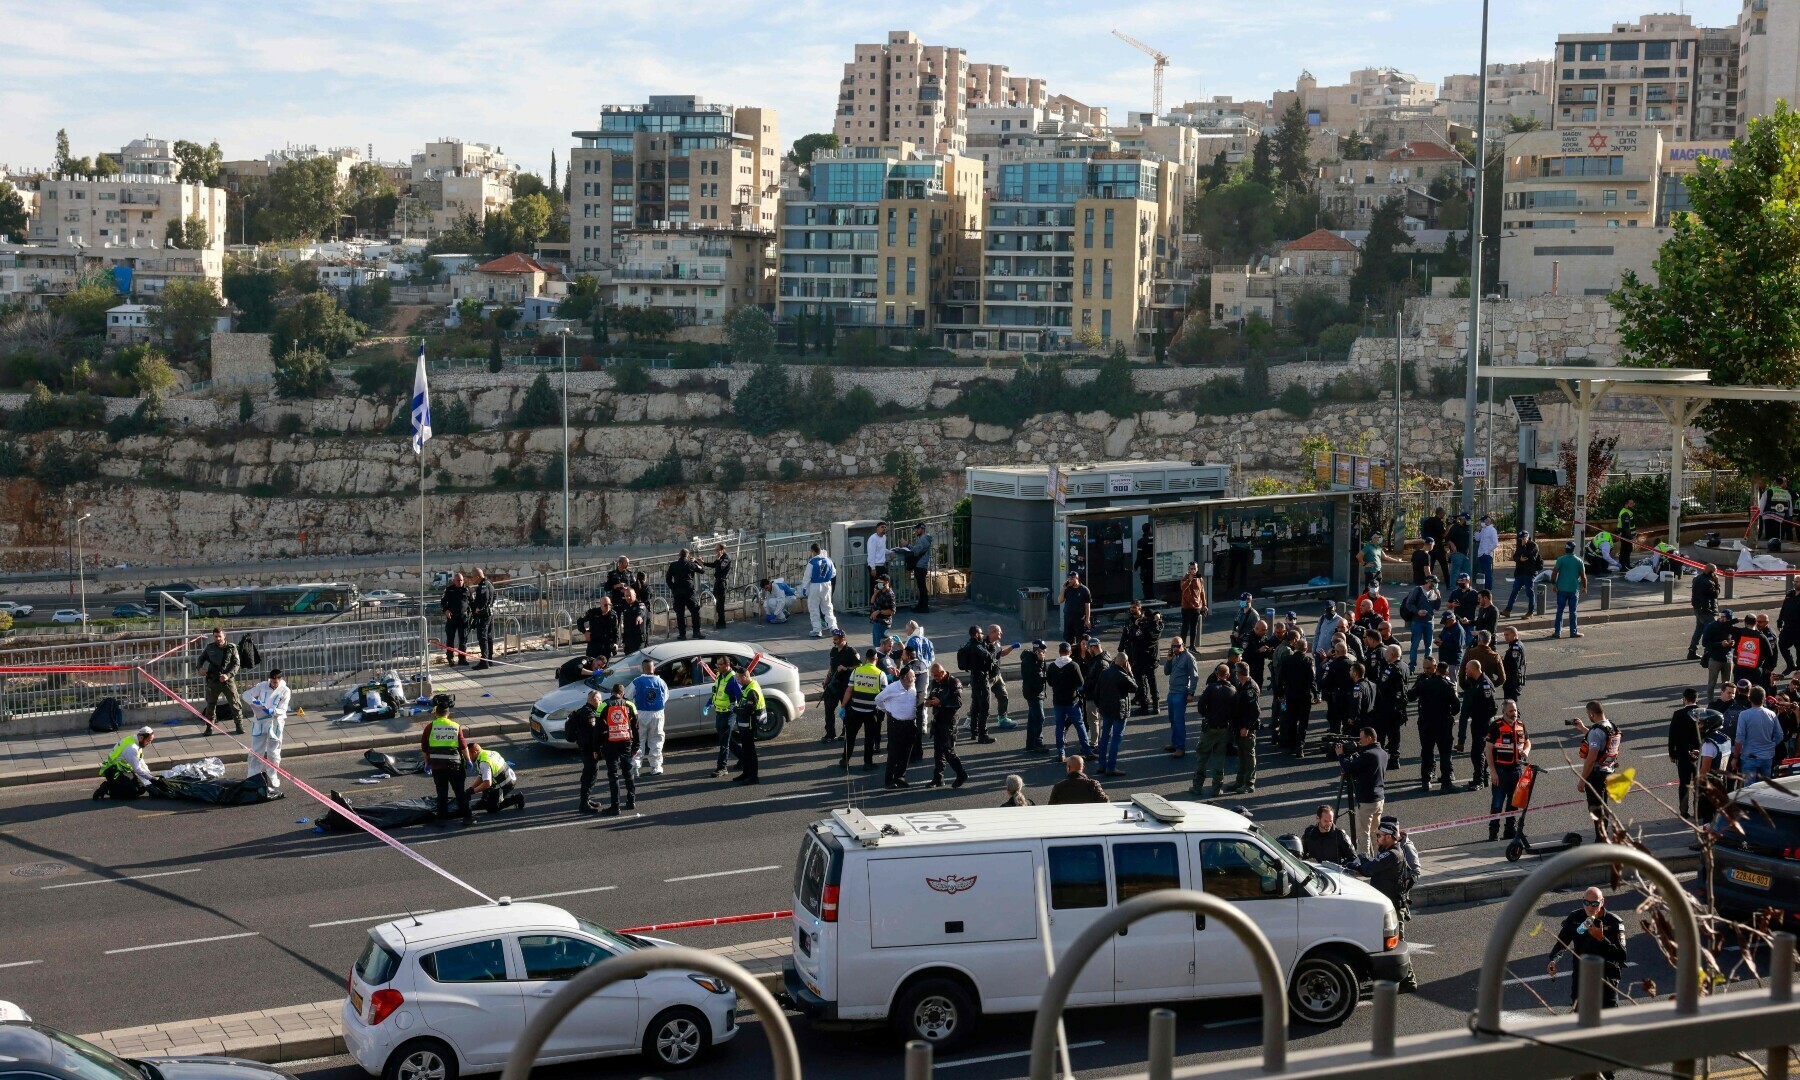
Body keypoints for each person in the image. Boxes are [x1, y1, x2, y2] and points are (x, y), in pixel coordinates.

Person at [1547, 888, 1629, 1010]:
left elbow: (1621, 956)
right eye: (1587, 903)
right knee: (1581, 1019)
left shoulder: (1614, 923)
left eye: (1595, 903)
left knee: (1608, 1020)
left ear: (1602, 902)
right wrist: (1553, 960)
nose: (1590, 907)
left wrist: (1601, 939)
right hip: (1581, 977)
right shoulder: (1575, 918)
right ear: (1583, 901)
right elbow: (1561, 943)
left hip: (1605, 979)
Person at [1351, 817, 1420, 919]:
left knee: (1393, 934)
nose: (1377, 838)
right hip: (1385, 901)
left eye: (1379, 835)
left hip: (1392, 903)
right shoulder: (1385, 849)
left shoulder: (1393, 853)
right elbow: (1375, 865)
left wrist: (1362, 861)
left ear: (1388, 837)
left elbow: (1369, 869)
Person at [420, 697, 474, 827]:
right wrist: (468, 760)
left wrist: (427, 763)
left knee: (442, 794)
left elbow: (425, 749)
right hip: (454, 766)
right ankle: (467, 818)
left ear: (436, 713)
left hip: (437, 766)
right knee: (459, 792)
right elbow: (463, 747)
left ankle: (442, 820)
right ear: (448, 713)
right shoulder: (456, 727)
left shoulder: (430, 727)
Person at [1574, 701, 1622, 843]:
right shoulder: (1612, 727)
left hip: (1596, 774)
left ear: (1591, 714)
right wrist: (1583, 729)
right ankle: (1603, 837)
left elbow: (1591, 758)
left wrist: (1582, 781)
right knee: (1603, 805)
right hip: (1609, 771)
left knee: (1596, 808)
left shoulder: (1596, 732)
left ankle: (1601, 839)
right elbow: (1603, 741)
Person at [1408, 657, 1459, 791]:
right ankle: (1446, 782)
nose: (1426, 670)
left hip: (1426, 723)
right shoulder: (1447, 685)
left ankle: (1426, 781)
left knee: (1427, 751)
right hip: (1442, 723)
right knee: (1444, 752)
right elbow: (1456, 706)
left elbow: (1410, 695)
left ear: (1436, 667)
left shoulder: (1424, 683)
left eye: (1429, 668)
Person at [1484, 699, 1530, 840]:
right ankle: (1493, 833)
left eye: (1515, 710)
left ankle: (1510, 831)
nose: (1513, 713)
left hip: (1516, 771)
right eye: (1510, 711)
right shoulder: (1496, 726)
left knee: (1514, 802)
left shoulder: (1520, 725)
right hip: (1501, 771)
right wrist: (1492, 771)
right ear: (1503, 712)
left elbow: (1528, 741)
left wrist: (1526, 751)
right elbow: (1488, 749)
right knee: (1497, 803)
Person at [1191, 662, 1238, 797]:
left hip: (1210, 727)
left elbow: (1201, 707)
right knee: (1219, 758)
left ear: (1217, 674)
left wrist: (1207, 715)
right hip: (1224, 728)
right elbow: (1235, 710)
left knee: (1202, 756)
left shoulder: (1210, 689)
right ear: (1228, 675)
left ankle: (1197, 786)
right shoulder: (1233, 690)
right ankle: (1217, 788)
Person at [1339, 727, 1388, 854]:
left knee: (1363, 833)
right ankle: (1378, 858)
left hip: (1367, 800)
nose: (1359, 742)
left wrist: (1341, 755)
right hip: (1379, 798)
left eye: (1361, 739)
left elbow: (1348, 767)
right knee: (1374, 832)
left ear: (1369, 738)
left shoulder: (1368, 755)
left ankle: (1364, 861)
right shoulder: (1383, 753)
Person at [840, 649, 889, 771]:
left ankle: (845, 760)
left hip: (855, 710)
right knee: (869, 738)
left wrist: (843, 706)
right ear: (876, 660)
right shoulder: (880, 674)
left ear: (866, 659)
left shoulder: (856, 671)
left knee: (850, 736)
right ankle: (867, 763)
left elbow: (849, 690)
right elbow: (885, 695)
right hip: (871, 712)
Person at [594, 685, 640, 814]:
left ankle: (615, 806)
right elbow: (636, 727)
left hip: (610, 743)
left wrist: (596, 748)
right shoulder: (630, 704)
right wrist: (636, 745)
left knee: (613, 775)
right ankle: (631, 801)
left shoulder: (603, 705)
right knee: (628, 772)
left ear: (612, 692)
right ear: (622, 693)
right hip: (626, 742)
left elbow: (597, 729)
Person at [243, 668, 291, 789]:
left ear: (280, 679)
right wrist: (255, 702)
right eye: (272, 680)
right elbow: (246, 695)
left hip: (275, 723)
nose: (274, 683)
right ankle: (253, 776)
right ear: (270, 679)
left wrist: (273, 711)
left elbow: (283, 709)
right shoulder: (262, 686)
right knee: (256, 751)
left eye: (276, 681)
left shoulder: (285, 691)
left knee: (273, 752)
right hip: (260, 722)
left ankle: (272, 776)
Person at [924, 663, 968, 788]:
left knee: (948, 750)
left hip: (949, 722)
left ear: (943, 673)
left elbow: (958, 703)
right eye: (933, 675)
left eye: (937, 675)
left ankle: (961, 774)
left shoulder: (954, 683)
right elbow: (933, 696)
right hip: (938, 721)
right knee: (938, 751)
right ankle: (938, 778)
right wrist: (929, 701)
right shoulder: (935, 682)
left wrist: (941, 703)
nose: (935, 678)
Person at [1092, 652, 1136, 777]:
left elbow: (1096, 692)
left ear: (1115, 660)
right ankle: (1111, 767)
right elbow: (1135, 688)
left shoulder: (1104, 673)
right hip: (1119, 711)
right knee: (1116, 738)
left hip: (1106, 710)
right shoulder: (1123, 675)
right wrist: (1130, 672)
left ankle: (1101, 764)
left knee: (1105, 736)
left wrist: (1099, 706)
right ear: (1125, 663)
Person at [877, 665, 921, 788]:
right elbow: (878, 699)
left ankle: (900, 777)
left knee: (906, 753)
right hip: (896, 724)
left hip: (910, 724)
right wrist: (887, 709)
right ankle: (889, 780)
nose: (915, 678)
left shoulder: (912, 687)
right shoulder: (892, 688)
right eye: (913, 676)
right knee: (894, 753)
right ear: (904, 678)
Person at [1046, 641, 1091, 760]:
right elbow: (1081, 683)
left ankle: (1061, 753)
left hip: (1058, 701)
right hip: (1072, 701)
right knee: (1080, 725)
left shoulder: (1052, 666)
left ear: (1059, 652)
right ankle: (1087, 751)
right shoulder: (1074, 665)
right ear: (1070, 652)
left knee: (1059, 727)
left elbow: (1050, 682)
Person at [1120, 600, 1163, 716]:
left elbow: (1132, 637)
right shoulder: (1158, 627)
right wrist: (1157, 616)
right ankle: (1156, 706)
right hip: (1152, 658)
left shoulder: (1143, 629)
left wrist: (1136, 625)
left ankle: (1144, 707)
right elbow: (1157, 618)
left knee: (1142, 682)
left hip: (1141, 658)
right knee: (1152, 681)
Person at [1459, 658, 1499, 787]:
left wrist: (1480, 716)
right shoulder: (1478, 682)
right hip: (1480, 722)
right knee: (1481, 751)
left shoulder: (1484, 684)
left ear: (1473, 669)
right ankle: (1484, 777)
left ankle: (1479, 780)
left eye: (1467, 669)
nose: (1465, 671)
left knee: (1477, 753)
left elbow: (1492, 707)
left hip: (1482, 723)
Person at [1667, 688, 1705, 821]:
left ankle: (1683, 811)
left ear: (1684, 699)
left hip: (1683, 754)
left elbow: (1672, 736)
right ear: (1697, 699)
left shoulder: (1678, 714)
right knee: (1698, 783)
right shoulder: (1702, 713)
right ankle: (1698, 811)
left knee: (1684, 783)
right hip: (1700, 754)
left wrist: (1672, 753)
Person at [1734, 683, 1784, 784]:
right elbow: (1779, 735)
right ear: (1764, 699)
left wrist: (1735, 757)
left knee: (1749, 791)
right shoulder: (1772, 714)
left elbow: (1739, 738)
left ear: (1749, 698)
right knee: (1763, 791)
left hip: (1749, 757)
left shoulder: (1744, 715)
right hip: (1767, 757)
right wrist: (1771, 745)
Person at [197, 627, 242, 735]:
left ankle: (239, 725)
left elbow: (236, 664)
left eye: (219, 636)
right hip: (214, 680)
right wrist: (200, 668)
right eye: (215, 636)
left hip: (227, 680)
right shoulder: (210, 648)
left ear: (224, 636)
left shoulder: (232, 648)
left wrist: (228, 675)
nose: (217, 639)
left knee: (235, 703)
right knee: (211, 704)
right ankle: (209, 727)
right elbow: (200, 659)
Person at [1278, 631, 1318, 752]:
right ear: (1306, 649)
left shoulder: (1287, 660)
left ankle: (1291, 744)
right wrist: (1316, 694)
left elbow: (1280, 679)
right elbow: (1312, 680)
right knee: (1303, 721)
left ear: (1296, 647)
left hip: (1290, 693)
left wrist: (1280, 693)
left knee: (1292, 719)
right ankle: (1300, 744)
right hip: (1304, 694)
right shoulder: (1308, 661)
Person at [95, 726, 159, 800]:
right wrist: (152, 779)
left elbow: (141, 761)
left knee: (141, 788)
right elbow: (137, 769)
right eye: (148, 740)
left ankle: (118, 787)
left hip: (123, 771)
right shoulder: (132, 748)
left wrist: (149, 774)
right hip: (112, 771)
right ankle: (108, 787)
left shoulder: (135, 741)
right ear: (141, 738)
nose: (150, 743)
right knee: (133, 792)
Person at [629, 658, 669, 776]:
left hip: (640, 713)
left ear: (642, 668)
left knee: (638, 740)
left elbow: (628, 696)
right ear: (654, 668)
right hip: (658, 713)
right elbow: (665, 697)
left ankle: (635, 767)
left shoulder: (637, 681)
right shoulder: (661, 682)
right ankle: (656, 767)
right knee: (656, 740)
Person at [1228, 660, 1262, 794]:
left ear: (1239, 673)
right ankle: (1240, 780)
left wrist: (1246, 727)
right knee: (1241, 755)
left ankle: (1249, 783)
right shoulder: (1242, 684)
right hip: (1239, 725)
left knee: (1248, 755)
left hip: (1246, 728)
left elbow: (1255, 711)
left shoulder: (1250, 688)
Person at [566, 690, 603, 812]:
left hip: (585, 747)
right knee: (590, 774)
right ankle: (584, 804)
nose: (601, 702)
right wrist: (596, 749)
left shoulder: (584, 709)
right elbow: (592, 733)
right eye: (600, 699)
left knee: (590, 773)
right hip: (588, 749)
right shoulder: (589, 713)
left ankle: (586, 799)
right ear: (593, 699)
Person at [728, 663, 765, 784]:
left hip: (749, 726)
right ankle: (746, 773)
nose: (737, 681)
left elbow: (747, 711)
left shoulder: (752, 691)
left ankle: (753, 777)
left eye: (738, 679)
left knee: (750, 753)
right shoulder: (748, 687)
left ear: (745, 677)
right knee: (746, 751)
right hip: (744, 727)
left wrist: (735, 709)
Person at [820, 628, 859, 744]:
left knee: (846, 709)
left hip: (845, 686)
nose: (834, 642)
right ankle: (830, 734)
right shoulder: (833, 651)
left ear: (843, 639)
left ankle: (845, 732)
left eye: (836, 639)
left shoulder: (851, 651)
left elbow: (858, 666)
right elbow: (831, 666)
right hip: (833, 685)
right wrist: (826, 678)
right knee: (828, 709)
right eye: (834, 639)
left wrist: (846, 668)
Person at [465, 741, 525, 814]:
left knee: (492, 808)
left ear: (474, 752)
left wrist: (472, 791)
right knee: (485, 783)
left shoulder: (484, 762)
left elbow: (487, 783)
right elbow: (481, 776)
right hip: (506, 778)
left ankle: (517, 799)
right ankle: (484, 802)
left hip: (505, 784)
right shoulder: (488, 753)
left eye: (468, 755)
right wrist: (471, 788)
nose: (467, 758)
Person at [1696, 708, 1733, 825]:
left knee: (1708, 814)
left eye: (1701, 724)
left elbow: (1705, 769)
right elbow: (1717, 755)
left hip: (1709, 783)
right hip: (1721, 780)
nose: (1698, 726)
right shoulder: (1724, 739)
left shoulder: (1708, 744)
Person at [1164, 636, 1198, 756]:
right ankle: (1174, 743)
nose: (1175, 648)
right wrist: (1168, 660)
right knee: (1172, 719)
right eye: (1173, 646)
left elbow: (1194, 677)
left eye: (1178, 646)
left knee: (1179, 721)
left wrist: (1191, 693)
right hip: (1171, 692)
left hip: (1181, 693)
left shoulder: (1189, 658)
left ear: (1183, 645)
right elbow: (1166, 672)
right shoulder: (1173, 656)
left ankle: (1180, 748)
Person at [663, 548, 705, 641]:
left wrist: (673, 588)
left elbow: (668, 579)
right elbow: (702, 570)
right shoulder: (691, 564)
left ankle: (682, 634)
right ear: (688, 555)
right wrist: (696, 562)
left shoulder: (673, 565)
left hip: (678, 592)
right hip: (689, 592)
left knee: (680, 614)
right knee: (695, 611)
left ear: (679, 555)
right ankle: (696, 632)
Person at [1401, 575, 1441, 672]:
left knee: (1428, 645)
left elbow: (1437, 607)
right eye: (1433, 582)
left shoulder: (1434, 592)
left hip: (1429, 622)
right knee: (1415, 644)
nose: (1435, 585)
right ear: (1428, 582)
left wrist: (1438, 596)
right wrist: (1417, 611)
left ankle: (1428, 665)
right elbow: (1409, 604)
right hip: (1417, 621)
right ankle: (1412, 665)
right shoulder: (1417, 590)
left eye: (1436, 583)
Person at [1551, 541, 1587, 639]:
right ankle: (1573, 632)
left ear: (1565, 549)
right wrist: (1584, 587)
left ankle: (1557, 632)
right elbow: (1583, 576)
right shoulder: (1579, 561)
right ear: (1573, 549)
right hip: (1573, 589)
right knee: (1573, 611)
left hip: (1561, 589)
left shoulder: (1561, 559)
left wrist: (1554, 584)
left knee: (1560, 611)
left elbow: (1554, 573)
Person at [803, 542, 838, 639]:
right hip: (827, 585)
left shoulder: (812, 562)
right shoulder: (829, 560)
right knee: (827, 607)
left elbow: (807, 577)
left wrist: (804, 588)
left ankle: (817, 630)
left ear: (813, 551)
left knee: (814, 608)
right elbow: (833, 574)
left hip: (814, 586)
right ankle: (833, 627)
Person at [1503, 533, 1543, 617]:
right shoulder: (1520, 545)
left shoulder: (1533, 546)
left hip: (1529, 573)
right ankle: (1507, 610)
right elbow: (1515, 557)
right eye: (1520, 539)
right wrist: (1519, 559)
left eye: (1523, 538)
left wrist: (1523, 548)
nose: (1521, 540)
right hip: (1519, 573)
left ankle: (1530, 612)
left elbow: (1528, 555)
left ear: (1527, 538)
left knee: (1529, 593)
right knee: (1514, 591)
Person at [1688, 562, 1722, 660]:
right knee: (1713, 630)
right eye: (1715, 572)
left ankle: (1692, 651)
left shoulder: (1697, 578)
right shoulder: (1708, 582)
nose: (1716, 574)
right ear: (1711, 572)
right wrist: (1717, 583)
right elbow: (1715, 594)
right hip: (1707, 610)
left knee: (1699, 630)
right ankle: (1708, 653)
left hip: (1699, 609)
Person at [1701, 609, 1737, 700]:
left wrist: (1732, 643)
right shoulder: (1711, 626)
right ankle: (1710, 702)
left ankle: (1726, 701)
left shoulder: (1730, 627)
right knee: (1712, 683)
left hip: (1728, 658)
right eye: (1725, 618)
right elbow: (1705, 643)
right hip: (1715, 658)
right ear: (1722, 617)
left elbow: (1736, 640)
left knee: (1727, 683)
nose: (1726, 621)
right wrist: (1720, 644)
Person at [1020, 639, 1049, 752]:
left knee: (1033, 718)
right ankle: (1038, 742)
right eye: (1042, 650)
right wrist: (1041, 662)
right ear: (1037, 650)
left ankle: (1030, 743)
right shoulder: (1028, 660)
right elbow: (1036, 676)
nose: (1044, 652)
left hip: (1037, 692)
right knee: (1039, 718)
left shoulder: (1037, 659)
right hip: (1033, 693)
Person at [467, 568, 496, 670]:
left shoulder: (483, 585)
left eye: (473, 577)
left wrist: (480, 609)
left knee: (482, 637)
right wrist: (489, 606)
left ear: (477, 576)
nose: (472, 579)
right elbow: (494, 596)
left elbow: (485, 598)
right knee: (488, 636)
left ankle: (484, 661)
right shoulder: (489, 583)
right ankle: (489, 659)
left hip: (484, 615)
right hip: (489, 614)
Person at [577, 596, 620, 664]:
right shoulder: (593, 612)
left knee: (604, 666)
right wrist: (585, 632)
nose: (608, 607)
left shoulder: (613, 615)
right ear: (600, 604)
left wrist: (615, 643)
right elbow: (580, 621)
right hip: (594, 644)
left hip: (606, 645)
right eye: (605, 605)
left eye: (609, 605)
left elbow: (615, 631)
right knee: (591, 663)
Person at [702, 543, 733, 631]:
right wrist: (702, 562)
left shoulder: (726, 558)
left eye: (717, 550)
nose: (716, 552)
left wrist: (719, 559)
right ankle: (719, 621)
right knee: (717, 602)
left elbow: (721, 567)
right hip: (717, 582)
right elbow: (714, 565)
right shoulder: (720, 558)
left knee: (720, 604)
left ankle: (722, 622)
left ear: (721, 549)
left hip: (722, 583)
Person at [1059, 571, 1093, 645]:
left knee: (1080, 638)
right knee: (1068, 638)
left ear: (1077, 578)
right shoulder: (1067, 589)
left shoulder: (1084, 590)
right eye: (1069, 579)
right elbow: (1060, 600)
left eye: (1072, 579)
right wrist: (1063, 589)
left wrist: (1087, 619)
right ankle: (1069, 653)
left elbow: (1087, 606)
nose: (1070, 581)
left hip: (1079, 618)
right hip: (1068, 618)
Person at [1179, 561, 1208, 645]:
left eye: (1194, 568)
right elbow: (1183, 588)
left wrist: (1204, 605)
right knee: (1185, 627)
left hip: (1196, 606)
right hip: (1186, 606)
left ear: (1197, 569)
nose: (1193, 570)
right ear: (1189, 569)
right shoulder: (1185, 578)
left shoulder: (1200, 579)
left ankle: (1192, 645)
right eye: (1191, 569)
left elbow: (1202, 592)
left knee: (1194, 627)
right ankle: (1182, 645)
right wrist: (1189, 580)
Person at [906, 529, 934, 613]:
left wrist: (907, 545)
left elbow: (917, 550)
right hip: (922, 565)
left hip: (920, 566)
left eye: (917, 529)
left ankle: (924, 607)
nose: (916, 531)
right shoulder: (925, 538)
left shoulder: (923, 539)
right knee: (921, 587)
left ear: (922, 529)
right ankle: (921, 606)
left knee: (922, 587)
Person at [1500, 625, 1527, 702]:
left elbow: (1514, 665)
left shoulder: (1515, 647)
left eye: (1507, 635)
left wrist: (1502, 662)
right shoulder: (1517, 644)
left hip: (1512, 681)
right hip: (1512, 679)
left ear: (1514, 635)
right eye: (1504, 635)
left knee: (1510, 705)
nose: (1505, 637)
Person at [869, 573, 897, 649]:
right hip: (876, 621)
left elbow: (892, 611)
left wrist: (879, 611)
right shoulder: (879, 590)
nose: (879, 584)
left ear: (886, 582)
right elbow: (872, 601)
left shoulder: (890, 594)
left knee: (881, 644)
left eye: (881, 582)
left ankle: (881, 657)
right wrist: (875, 593)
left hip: (883, 623)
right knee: (876, 643)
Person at [1423, 508, 1450, 582]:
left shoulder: (1429, 521)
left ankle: (1427, 582)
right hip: (1438, 546)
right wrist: (1448, 526)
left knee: (1430, 565)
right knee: (1444, 566)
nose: (1444, 515)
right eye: (1443, 513)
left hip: (1430, 546)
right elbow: (1443, 535)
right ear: (1440, 513)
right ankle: (1448, 583)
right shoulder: (1438, 522)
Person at [1780, 578, 1800, 676]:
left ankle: (1798, 671)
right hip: (1788, 626)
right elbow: (1783, 608)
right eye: (1794, 582)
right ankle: (1790, 665)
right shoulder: (1790, 594)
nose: (1794, 583)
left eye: (1797, 582)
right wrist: (1779, 620)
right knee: (1782, 644)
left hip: (1799, 628)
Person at [619, 588, 648, 654]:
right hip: (628, 640)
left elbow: (641, 611)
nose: (628, 597)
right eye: (626, 596)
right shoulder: (625, 607)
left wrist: (639, 616)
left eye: (630, 595)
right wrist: (624, 641)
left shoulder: (640, 605)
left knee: (637, 660)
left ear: (635, 595)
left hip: (638, 641)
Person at [1475, 515, 1500, 590]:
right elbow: (1477, 538)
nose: (1481, 523)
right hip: (1481, 553)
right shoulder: (1483, 529)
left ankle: (1488, 588)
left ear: (1487, 521)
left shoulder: (1492, 530)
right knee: (1482, 572)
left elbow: (1495, 543)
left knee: (1487, 572)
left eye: (1483, 521)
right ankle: (1483, 587)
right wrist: (1477, 530)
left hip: (1487, 554)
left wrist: (1487, 551)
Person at [1135, 521, 1157, 599]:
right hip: (1156, 566)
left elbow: (1139, 555)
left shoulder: (1141, 541)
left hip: (1146, 567)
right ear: (1150, 529)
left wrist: (1135, 566)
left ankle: (1148, 599)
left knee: (1146, 584)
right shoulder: (1156, 538)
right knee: (1153, 583)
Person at [867, 521, 890, 594]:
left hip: (881, 565)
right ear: (877, 529)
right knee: (876, 587)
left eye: (885, 527)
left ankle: (882, 602)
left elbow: (882, 549)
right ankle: (874, 603)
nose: (884, 528)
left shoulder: (884, 537)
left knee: (884, 585)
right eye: (882, 527)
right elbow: (871, 553)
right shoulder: (873, 539)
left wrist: (890, 552)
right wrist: (873, 568)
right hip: (875, 566)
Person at [1616, 499, 1638, 568]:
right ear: (1626, 505)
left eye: (1633, 503)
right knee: (1625, 550)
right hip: (1626, 535)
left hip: (1628, 535)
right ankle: (1623, 566)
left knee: (1627, 550)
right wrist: (1630, 537)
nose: (1633, 505)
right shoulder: (1625, 513)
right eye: (1631, 504)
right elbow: (1626, 528)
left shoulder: (1628, 512)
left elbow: (1631, 525)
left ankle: (1626, 564)